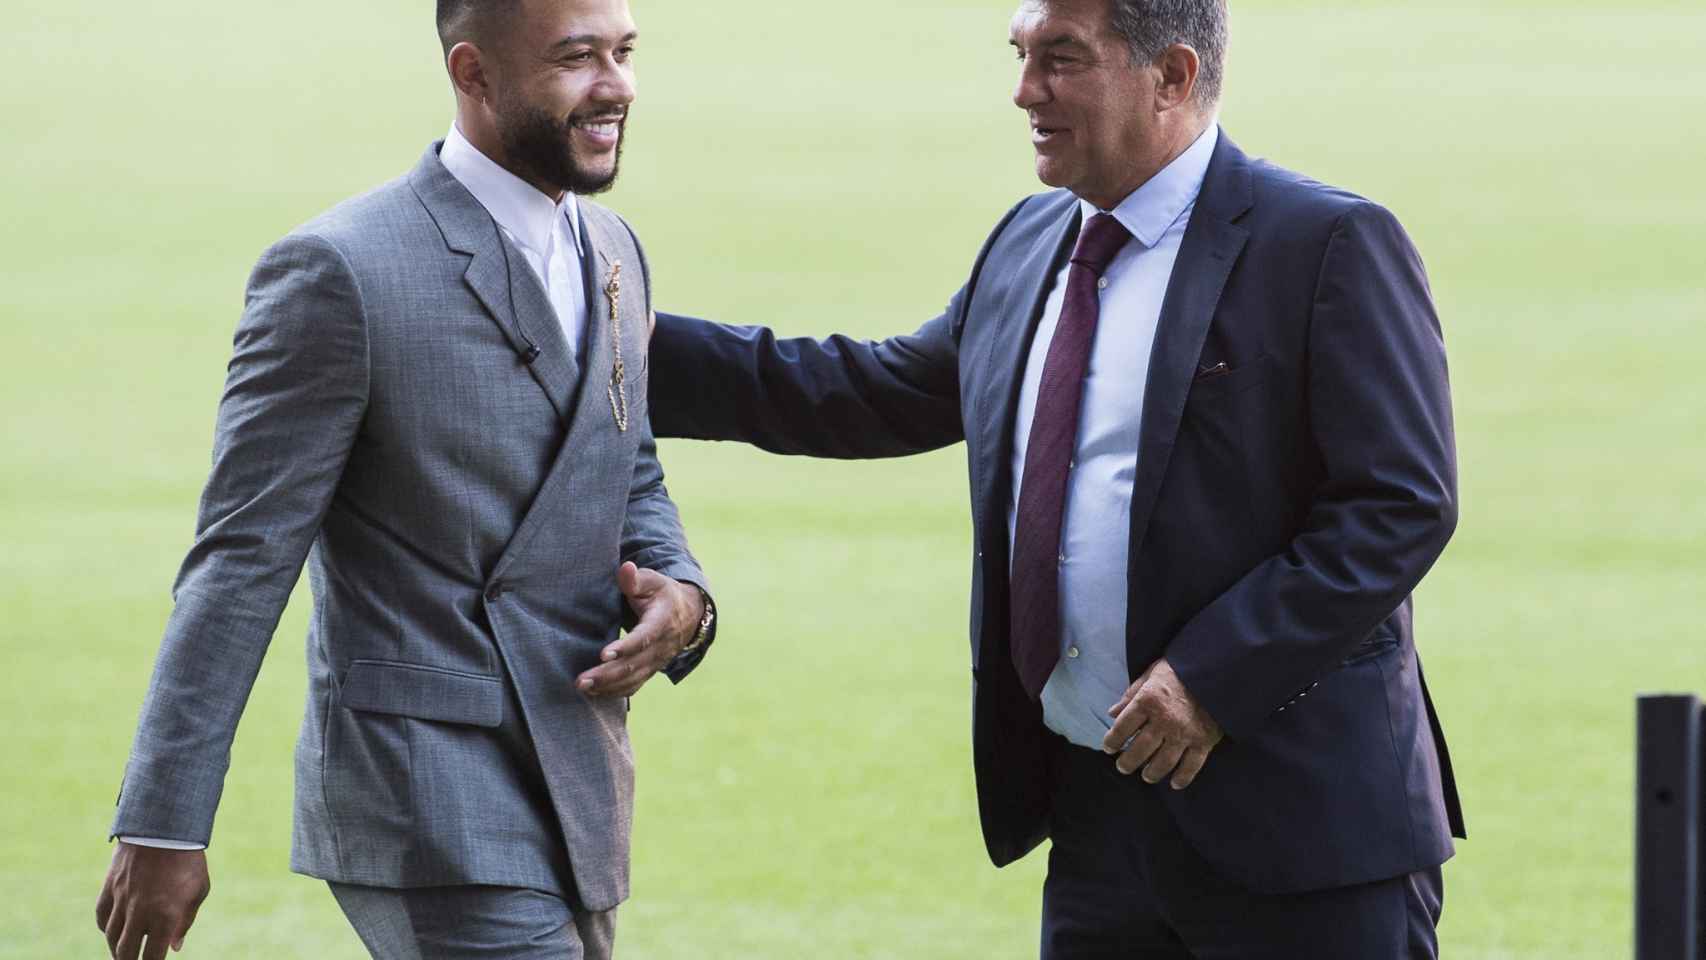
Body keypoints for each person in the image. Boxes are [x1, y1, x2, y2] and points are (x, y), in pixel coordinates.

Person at [648, 0, 1462, 955]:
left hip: (1304, 836)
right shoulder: (1031, 243)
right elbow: (868, 392)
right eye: (1022, 55)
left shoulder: (1325, 244)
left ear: (1173, 77)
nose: (1025, 90)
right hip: (1099, 829)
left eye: (1062, 60)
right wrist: (609, 342)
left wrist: (1209, 678)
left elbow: (1397, 507)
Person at [93, 1, 716, 957]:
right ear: (472, 73)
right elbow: (240, 561)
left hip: (578, 774)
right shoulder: (338, 271)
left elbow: (626, 469)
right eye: (578, 58)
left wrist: (683, 596)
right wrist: (164, 820)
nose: (618, 85)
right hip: (422, 795)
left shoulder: (616, 251)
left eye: (625, 53)